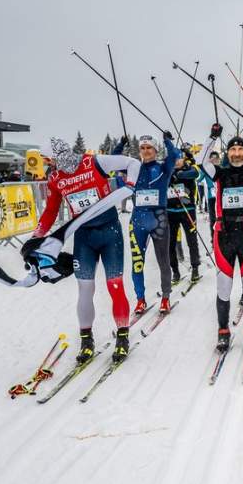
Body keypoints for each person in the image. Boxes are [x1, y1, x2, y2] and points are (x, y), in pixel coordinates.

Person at [32, 137, 141, 363]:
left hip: (109, 232)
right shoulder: (55, 179)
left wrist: (130, 184)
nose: (48, 164)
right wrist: (36, 237)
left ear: (57, 155)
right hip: (84, 237)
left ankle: (122, 338)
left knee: (115, 286)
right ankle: (86, 341)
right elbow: (51, 210)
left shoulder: (94, 162)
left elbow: (133, 163)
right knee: (85, 289)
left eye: (48, 159)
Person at [199, 123, 243, 352]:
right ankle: (223, 331)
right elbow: (202, 162)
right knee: (223, 286)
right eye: (233, 150)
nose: (237, 153)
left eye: (241, 150)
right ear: (227, 153)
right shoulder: (219, 172)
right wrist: (213, 137)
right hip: (224, 235)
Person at [114, 132, 180, 315]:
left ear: (155, 149)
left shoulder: (163, 167)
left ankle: (165, 298)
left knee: (163, 261)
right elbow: (114, 161)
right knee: (137, 263)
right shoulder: (133, 168)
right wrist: (121, 144)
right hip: (138, 220)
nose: (145, 151)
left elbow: (174, 155)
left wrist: (167, 140)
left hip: (159, 219)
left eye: (149, 147)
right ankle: (140, 300)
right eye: (142, 148)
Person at [167, 149, 202, 285]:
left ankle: (195, 268)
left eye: (179, 158)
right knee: (170, 243)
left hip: (187, 210)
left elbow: (195, 173)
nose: (176, 161)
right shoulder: (167, 170)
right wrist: (169, 176)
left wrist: (179, 175)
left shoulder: (189, 167)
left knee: (191, 240)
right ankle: (175, 271)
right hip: (170, 212)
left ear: (183, 159)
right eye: (174, 159)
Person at [199, 151, 220, 238]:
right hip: (211, 197)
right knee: (213, 219)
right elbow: (198, 178)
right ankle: (214, 241)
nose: (214, 161)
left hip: (221, 197)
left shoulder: (221, 168)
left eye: (216, 159)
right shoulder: (207, 170)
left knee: (221, 219)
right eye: (212, 159)